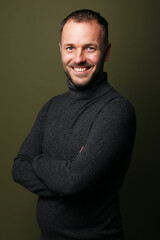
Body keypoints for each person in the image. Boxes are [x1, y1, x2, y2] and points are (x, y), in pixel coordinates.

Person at [12, 9, 136, 240]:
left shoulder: (117, 110)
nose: (78, 58)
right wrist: (65, 176)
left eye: (90, 48)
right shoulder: (52, 106)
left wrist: (38, 161)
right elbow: (19, 167)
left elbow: (72, 181)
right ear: (60, 49)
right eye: (70, 47)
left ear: (106, 52)